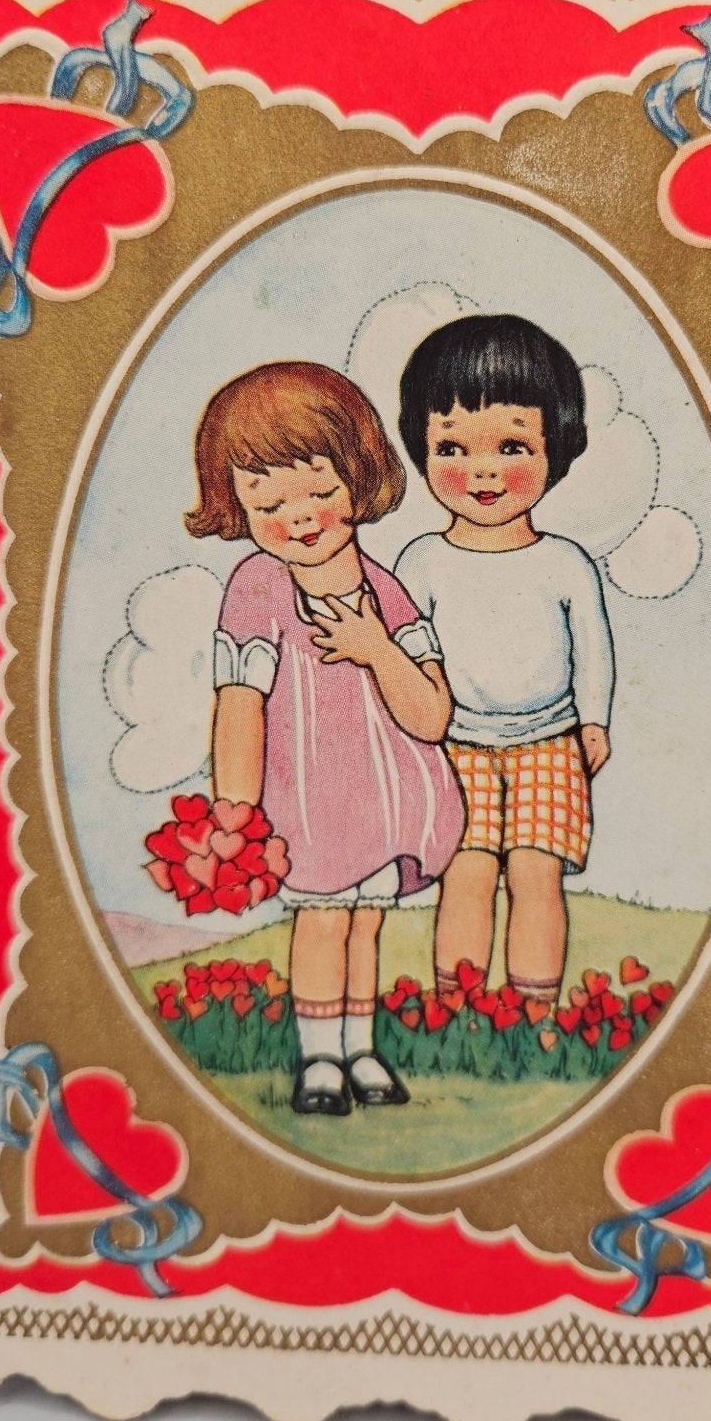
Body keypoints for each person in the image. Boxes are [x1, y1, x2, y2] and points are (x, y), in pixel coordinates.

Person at [186, 362, 464, 1117]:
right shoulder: (257, 588)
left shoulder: (387, 590)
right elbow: (240, 703)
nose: (300, 517)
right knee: (319, 922)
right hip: (306, 806)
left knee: (364, 925)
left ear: (358, 476)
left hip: (386, 802)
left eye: (318, 490)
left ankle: (360, 1049)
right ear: (236, 506)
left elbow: (432, 716)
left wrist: (377, 648)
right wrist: (234, 810)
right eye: (269, 502)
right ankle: (318, 1061)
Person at [396, 314, 614, 1008]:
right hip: (453, 745)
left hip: (549, 743)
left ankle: (533, 1013)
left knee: (536, 875)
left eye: (512, 445)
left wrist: (594, 721)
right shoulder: (421, 561)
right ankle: (454, 1010)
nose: (482, 470)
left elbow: (594, 649)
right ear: (420, 449)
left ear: (557, 447)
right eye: (452, 447)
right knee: (464, 875)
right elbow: (406, 654)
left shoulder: (565, 563)